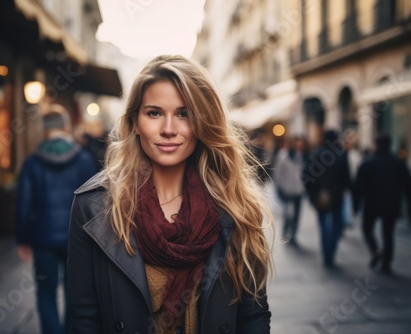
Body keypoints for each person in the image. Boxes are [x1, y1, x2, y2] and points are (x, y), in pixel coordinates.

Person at [67, 55, 273, 334]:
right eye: (154, 113)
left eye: (183, 114)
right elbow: (83, 319)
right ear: (135, 122)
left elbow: (253, 316)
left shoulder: (236, 205)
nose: (168, 129)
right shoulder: (93, 205)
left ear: (202, 123)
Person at [16, 105, 97, 334]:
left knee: (45, 290)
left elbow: (23, 203)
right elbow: (95, 200)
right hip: (79, 240)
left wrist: (22, 239)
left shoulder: (32, 162)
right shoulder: (83, 158)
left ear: (44, 129)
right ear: (65, 126)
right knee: (77, 292)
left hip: (42, 239)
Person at [353, 133, 411, 274]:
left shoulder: (368, 163)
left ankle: (375, 250)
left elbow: (358, 187)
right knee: (388, 234)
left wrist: (356, 205)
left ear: (376, 145)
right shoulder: (398, 163)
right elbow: (407, 187)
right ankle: (386, 262)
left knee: (367, 228)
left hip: (372, 204)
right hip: (391, 204)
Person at [303, 130, 351, 267]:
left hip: (319, 196)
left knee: (323, 224)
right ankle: (331, 251)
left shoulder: (316, 154)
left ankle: (326, 253)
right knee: (337, 224)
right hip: (337, 196)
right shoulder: (341, 155)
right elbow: (347, 178)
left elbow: (306, 176)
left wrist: (311, 193)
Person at [274, 136, 306, 246]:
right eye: (297, 144)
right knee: (288, 214)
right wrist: (279, 187)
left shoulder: (301, 156)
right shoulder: (282, 155)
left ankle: (293, 235)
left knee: (296, 214)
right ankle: (285, 232)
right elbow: (277, 172)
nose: (299, 147)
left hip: (298, 190)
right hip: (286, 189)